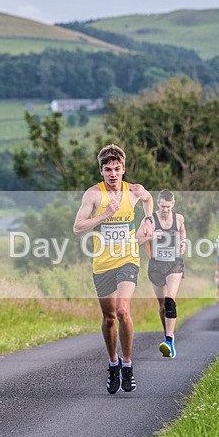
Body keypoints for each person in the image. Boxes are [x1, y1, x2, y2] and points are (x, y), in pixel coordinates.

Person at [73, 144, 153, 394]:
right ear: (101, 171)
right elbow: (77, 227)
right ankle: (113, 363)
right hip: (102, 263)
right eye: (107, 170)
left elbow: (149, 199)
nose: (113, 174)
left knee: (122, 310)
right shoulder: (93, 195)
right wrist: (105, 215)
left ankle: (127, 365)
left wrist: (148, 220)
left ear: (123, 169)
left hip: (128, 258)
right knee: (108, 318)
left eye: (117, 169)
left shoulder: (135, 191)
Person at [143, 190, 187, 358]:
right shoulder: (150, 220)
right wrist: (151, 235)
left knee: (169, 301)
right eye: (162, 207)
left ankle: (169, 341)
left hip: (174, 264)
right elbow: (138, 239)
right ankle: (167, 335)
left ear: (173, 204)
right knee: (162, 306)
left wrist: (183, 242)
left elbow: (183, 231)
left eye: (168, 207)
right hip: (155, 266)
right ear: (158, 203)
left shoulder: (179, 218)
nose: (165, 210)